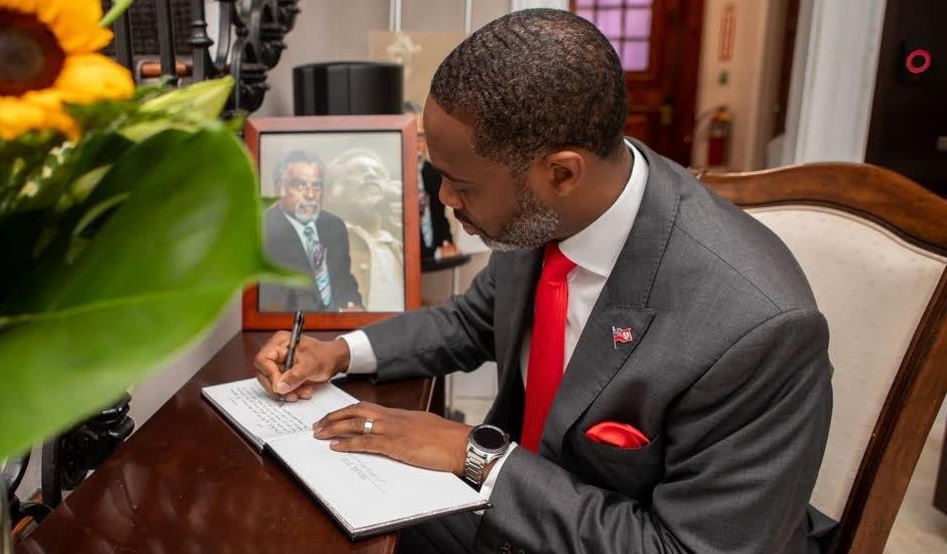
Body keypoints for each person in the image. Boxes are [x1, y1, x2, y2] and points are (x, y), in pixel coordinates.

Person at [253, 9, 834, 554]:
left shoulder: (759, 327)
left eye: (462, 185)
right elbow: (473, 318)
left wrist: (472, 455)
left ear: (561, 172)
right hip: (517, 510)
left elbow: (683, 545)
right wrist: (336, 353)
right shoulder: (551, 210)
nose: (445, 201)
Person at [259, 150, 364, 312]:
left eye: (316, 186)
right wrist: (339, 314)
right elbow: (278, 303)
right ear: (278, 188)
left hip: (339, 327)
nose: (310, 195)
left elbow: (343, 279)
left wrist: (354, 305)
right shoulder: (263, 230)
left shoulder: (334, 226)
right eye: (299, 185)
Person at [325, 148, 406, 312]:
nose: (371, 174)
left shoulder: (401, 248)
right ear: (334, 191)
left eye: (379, 173)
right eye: (358, 171)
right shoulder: (321, 245)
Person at [402, 101, 460, 265]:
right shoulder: (389, 181)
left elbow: (440, 219)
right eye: (409, 136)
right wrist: (435, 253)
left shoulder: (432, 174)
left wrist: (447, 244)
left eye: (420, 136)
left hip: (434, 271)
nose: (416, 145)